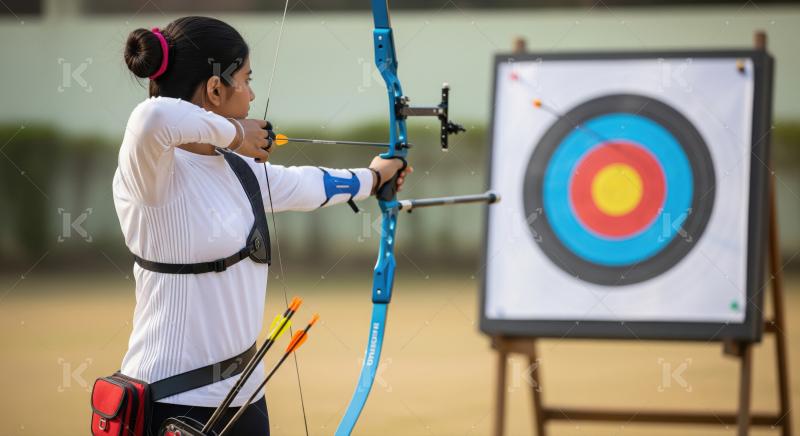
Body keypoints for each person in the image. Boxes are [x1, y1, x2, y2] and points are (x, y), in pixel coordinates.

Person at [116, 16, 409, 435]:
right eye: (247, 80)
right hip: (173, 404)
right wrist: (234, 133)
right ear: (216, 89)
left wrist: (375, 177)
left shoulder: (238, 171)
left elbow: (308, 185)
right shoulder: (151, 173)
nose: (252, 95)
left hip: (246, 401)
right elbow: (153, 119)